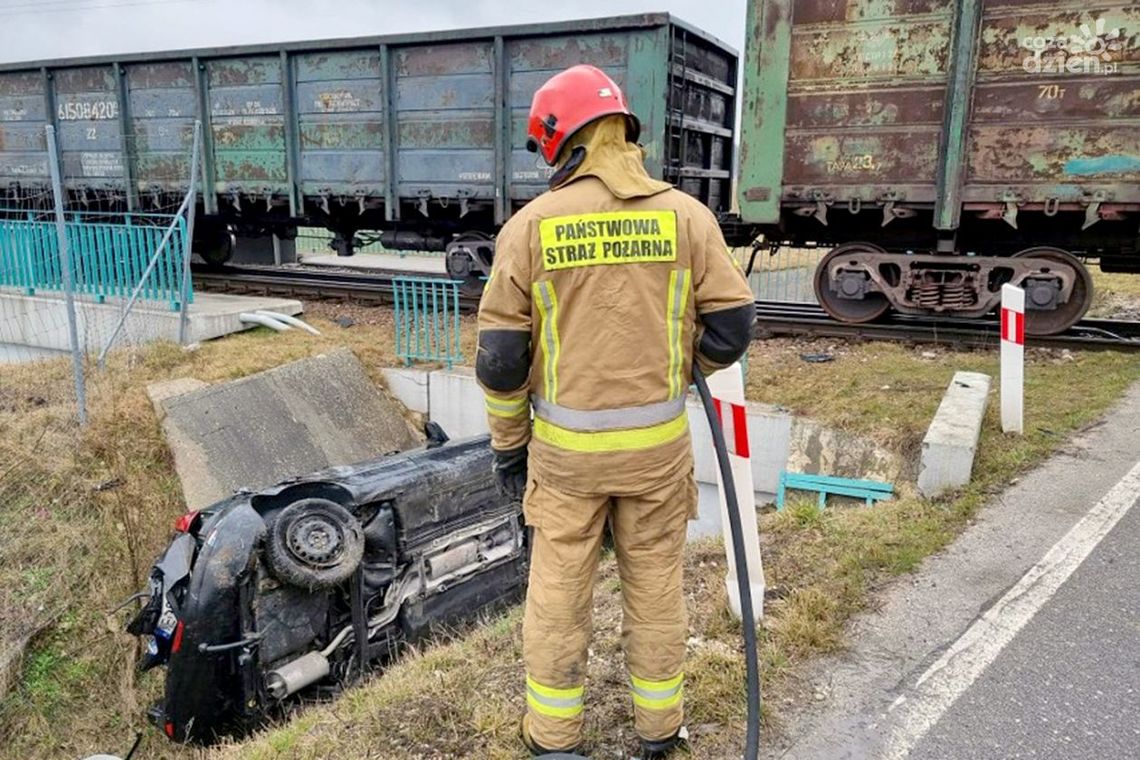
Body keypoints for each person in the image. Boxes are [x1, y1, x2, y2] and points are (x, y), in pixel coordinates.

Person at [475, 64, 755, 758]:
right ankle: (659, 731)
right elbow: (733, 326)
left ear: (561, 139)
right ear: (622, 130)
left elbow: (501, 360)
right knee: (657, 586)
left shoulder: (531, 227)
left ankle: (554, 740)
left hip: (566, 463)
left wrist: (510, 446)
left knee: (558, 597)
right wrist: (682, 369)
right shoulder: (686, 217)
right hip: (658, 456)